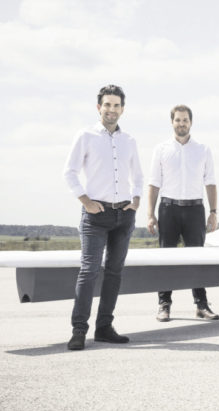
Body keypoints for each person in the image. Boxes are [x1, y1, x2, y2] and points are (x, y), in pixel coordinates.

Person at [63, 84, 143, 350]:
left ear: (122, 109)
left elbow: (138, 176)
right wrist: (85, 201)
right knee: (89, 271)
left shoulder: (129, 140)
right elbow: (69, 172)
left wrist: (136, 200)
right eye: (107, 105)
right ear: (99, 107)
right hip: (95, 216)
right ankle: (79, 330)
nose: (112, 109)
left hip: (124, 215)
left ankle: (104, 328)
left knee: (114, 273)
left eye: (116, 105)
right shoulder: (85, 136)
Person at [147, 105, 219, 322]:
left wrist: (213, 212)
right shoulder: (161, 149)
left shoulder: (203, 150)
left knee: (197, 259)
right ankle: (164, 305)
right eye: (178, 120)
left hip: (195, 210)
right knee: (166, 259)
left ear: (191, 122)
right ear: (172, 122)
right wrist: (150, 214)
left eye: (185, 120)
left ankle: (201, 305)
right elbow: (153, 184)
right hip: (168, 209)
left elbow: (211, 182)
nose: (181, 123)